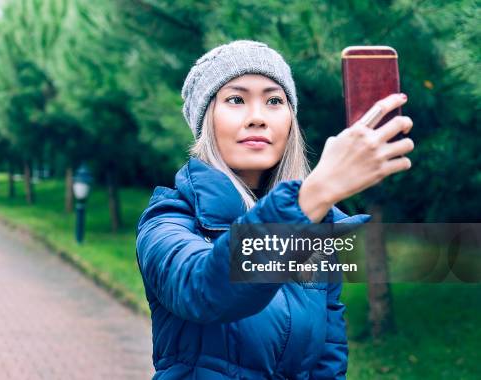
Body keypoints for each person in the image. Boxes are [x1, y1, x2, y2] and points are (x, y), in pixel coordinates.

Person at [136, 40, 414, 379]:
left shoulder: (317, 237)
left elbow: (328, 366)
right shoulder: (168, 220)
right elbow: (204, 290)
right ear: (205, 120)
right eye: (236, 99)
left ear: (290, 122)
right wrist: (315, 194)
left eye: (274, 100)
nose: (257, 117)